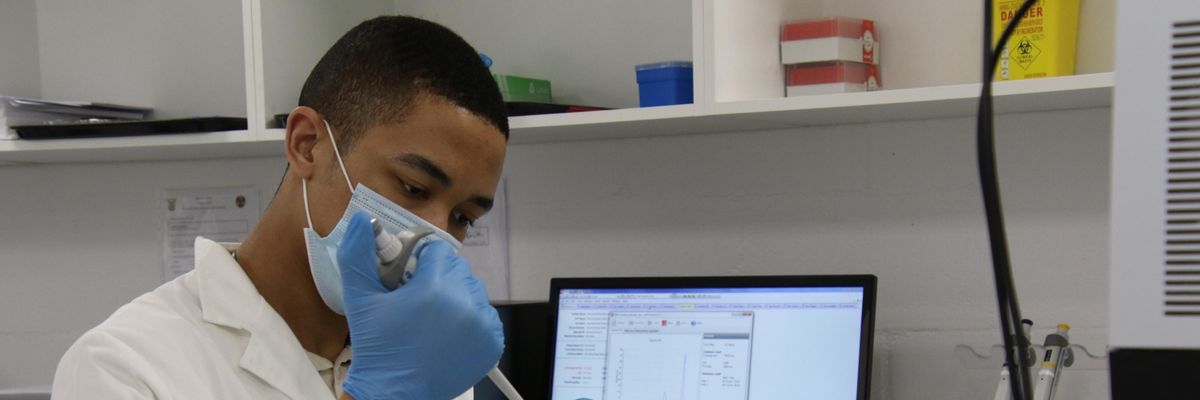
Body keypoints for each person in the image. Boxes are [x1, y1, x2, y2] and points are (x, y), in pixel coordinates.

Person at [50, 16, 508, 400]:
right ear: (307, 145)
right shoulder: (122, 369)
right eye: (412, 187)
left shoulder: (419, 356)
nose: (433, 235)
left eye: (463, 217)